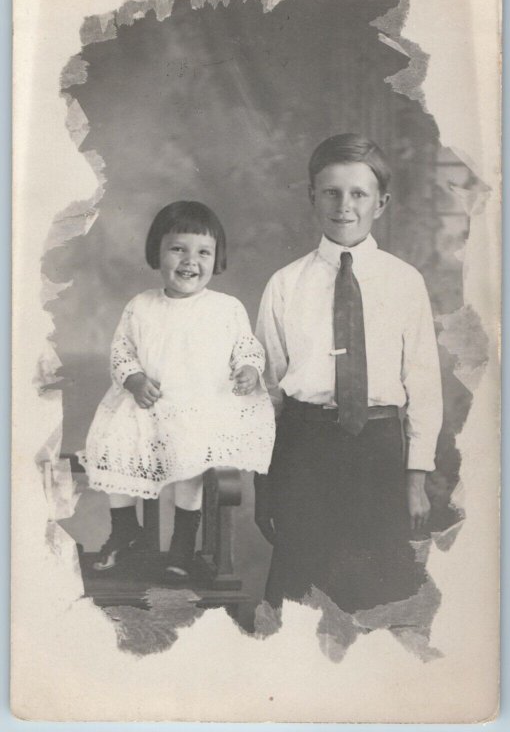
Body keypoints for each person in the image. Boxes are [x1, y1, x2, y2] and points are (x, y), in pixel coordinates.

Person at [254, 133, 443, 613]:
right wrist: (265, 485)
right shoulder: (284, 284)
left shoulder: (404, 282)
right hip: (303, 451)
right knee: (299, 598)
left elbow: (423, 385)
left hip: (378, 454)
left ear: (381, 202)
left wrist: (415, 478)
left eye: (358, 193)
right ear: (312, 197)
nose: (345, 205)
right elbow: (264, 395)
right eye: (332, 192)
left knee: (374, 599)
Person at [80, 200, 275, 576]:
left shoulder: (226, 308)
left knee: (192, 463)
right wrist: (134, 378)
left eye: (203, 252)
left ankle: (184, 540)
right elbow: (122, 350)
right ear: (157, 252)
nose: (190, 261)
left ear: (217, 259)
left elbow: (247, 347)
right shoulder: (141, 306)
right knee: (111, 446)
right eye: (178, 249)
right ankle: (125, 529)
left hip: (199, 410)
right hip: (146, 407)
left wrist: (249, 368)